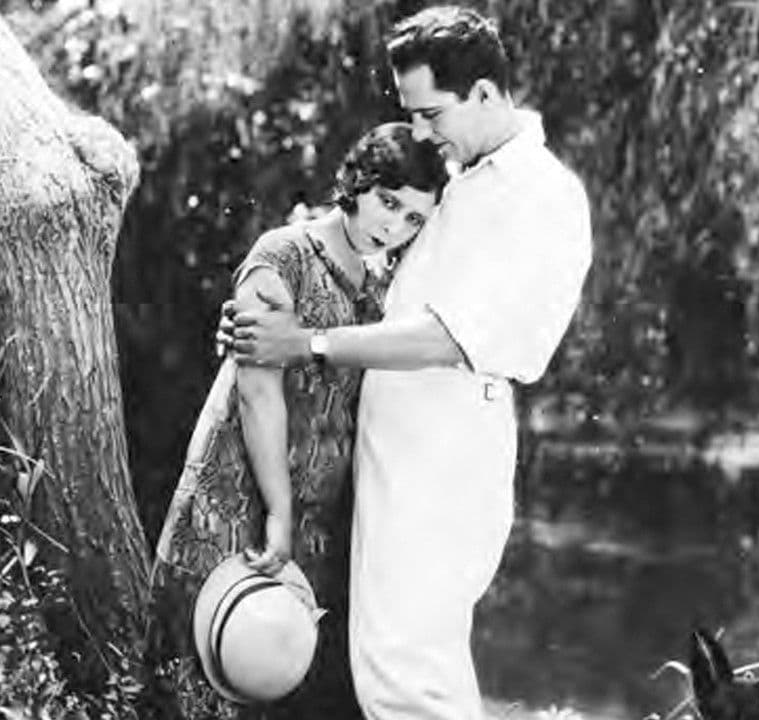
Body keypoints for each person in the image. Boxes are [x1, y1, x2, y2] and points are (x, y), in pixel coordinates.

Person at [219, 7, 593, 719]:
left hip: (444, 454)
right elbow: (373, 282)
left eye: (431, 113)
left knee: (407, 673)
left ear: (484, 93)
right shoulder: (464, 180)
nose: (420, 133)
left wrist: (305, 343)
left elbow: (450, 337)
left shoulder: (540, 196)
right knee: (393, 664)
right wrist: (260, 310)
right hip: (396, 451)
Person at [147, 122, 449, 720]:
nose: (394, 226)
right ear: (357, 183)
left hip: (317, 516)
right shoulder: (283, 254)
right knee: (204, 669)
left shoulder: (386, 288)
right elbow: (259, 393)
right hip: (241, 494)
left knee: (275, 676)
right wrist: (279, 513)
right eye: (388, 202)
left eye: (414, 218)